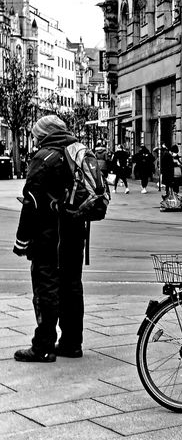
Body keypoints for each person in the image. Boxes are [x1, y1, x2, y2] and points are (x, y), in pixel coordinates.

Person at [12, 115, 88, 362]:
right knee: (72, 286)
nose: (34, 140)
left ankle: (42, 345)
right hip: (76, 233)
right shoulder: (76, 152)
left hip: (49, 235)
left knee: (47, 287)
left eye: (35, 135)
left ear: (43, 135)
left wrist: (22, 240)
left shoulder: (44, 157)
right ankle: (71, 343)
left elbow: (32, 203)